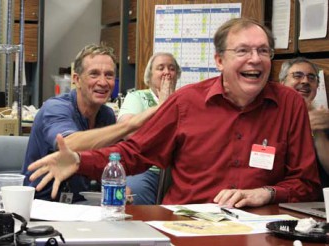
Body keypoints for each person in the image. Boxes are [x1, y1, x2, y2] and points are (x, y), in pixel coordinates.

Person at [28, 18, 321, 208]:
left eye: (264, 51)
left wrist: (266, 193)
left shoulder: (290, 104)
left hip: (261, 227)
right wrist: (79, 160)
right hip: (188, 226)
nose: (255, 59)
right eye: (243, 51)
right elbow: (134, 154)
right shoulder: (186, 103)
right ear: (219, 60)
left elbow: (306, 184)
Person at [22, 44, 158, 203]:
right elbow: (68, 143)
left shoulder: (106, 115)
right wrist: (129, 125)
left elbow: (106, 160)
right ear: (76, 80)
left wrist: (120, 185)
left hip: (81, 205)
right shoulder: (55, 108)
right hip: (42, 206)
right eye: (94, 74)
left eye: (109, 75)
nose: (103, 82)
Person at [118, 52, 181, 204]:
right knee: (136, 193)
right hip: (145, 168)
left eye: (171, 68)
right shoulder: (137, 97)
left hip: (178, 169)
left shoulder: (184, 98)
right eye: (161, 68)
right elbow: (129, 132)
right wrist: (163, 106)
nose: (167, 72)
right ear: (149, 76)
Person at [279, 57, 329, 188]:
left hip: (314, 201)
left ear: (317, 87)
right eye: (297, 76)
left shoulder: (323, 119)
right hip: (274, 195)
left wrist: (319, 133)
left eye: (311, 78)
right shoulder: (269, 116)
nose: (305, 81)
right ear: (282, 82)